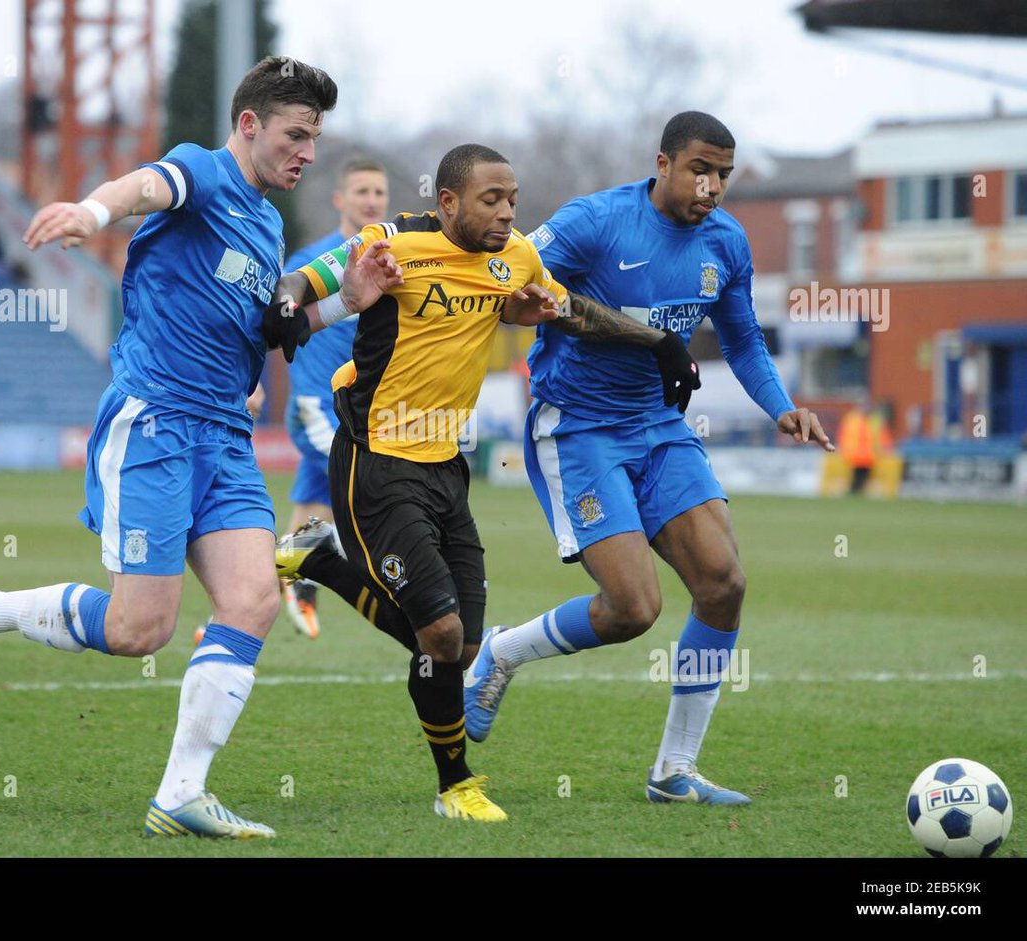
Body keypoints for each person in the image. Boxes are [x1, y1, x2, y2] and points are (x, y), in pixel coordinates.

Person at [0, 56, 395, 839]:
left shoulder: (268, 226)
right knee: (141, 629)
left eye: (314, 137)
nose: (307, 151)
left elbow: (275, 329)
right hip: (157, 424)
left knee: (253, 600)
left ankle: (180, 794)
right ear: (249, 125)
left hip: (225, 437)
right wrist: (93, 213)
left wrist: (348, 301)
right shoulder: (203, 173)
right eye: (295, 134)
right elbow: (144, 187)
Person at [272, 144, 688, 821]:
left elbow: (568, 309)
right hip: (375, 461)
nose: (505, 213)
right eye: (490, 200)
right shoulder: (390, 243)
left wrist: (657, 341)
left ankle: (315, 560)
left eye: (512, 200)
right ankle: (455, 785)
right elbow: (302, 283)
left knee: (459, 648)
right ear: (448, 203)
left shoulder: (515, 257)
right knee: (437, 634)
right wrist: (290, 308)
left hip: (446, 469)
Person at [464, 111, 834, 806]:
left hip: (660, 427)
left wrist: (781, 405)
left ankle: (674, 770)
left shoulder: (726, 241)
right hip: (577, 428)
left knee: (723, 582)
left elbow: (745, 339)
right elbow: (514, 288)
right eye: (700, 169)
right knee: (633, 608)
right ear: (662, 164)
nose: (712, 186)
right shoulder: (595, 222)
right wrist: (634, 335)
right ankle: (502, 652)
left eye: (723, 173)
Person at [280, 158, 390, 638]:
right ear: (340, 199)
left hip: (360, 409)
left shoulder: (391, 261)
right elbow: (271, 324)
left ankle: (233, 613)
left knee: (308, 514)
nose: (372, 200)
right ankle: (393, 580)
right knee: (374, 481)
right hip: (316, 406)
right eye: (362, 191)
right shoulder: (312, 264)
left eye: (379, 193)